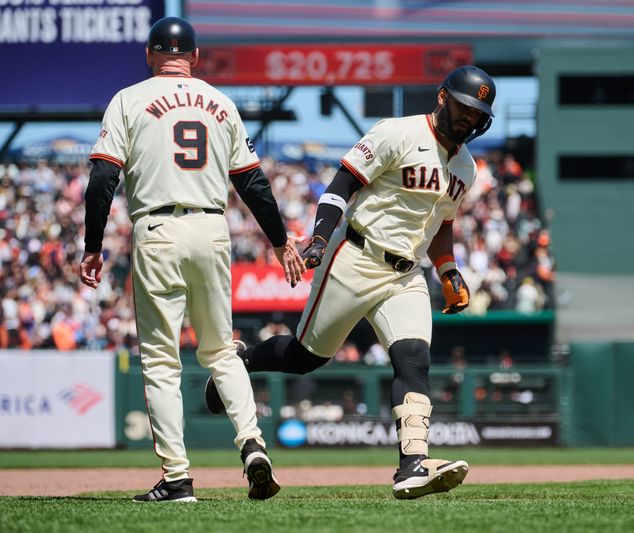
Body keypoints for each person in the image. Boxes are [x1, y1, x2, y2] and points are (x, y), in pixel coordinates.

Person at [205, 65, 497, 499]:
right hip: (357, 256)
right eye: (464, 107)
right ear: (442, 97)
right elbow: (342, 184)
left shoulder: (466, 168)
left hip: (406, 275)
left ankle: (413, 466)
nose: (468, 118)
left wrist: (447, 269)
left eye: (477, 113)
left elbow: (441, 223)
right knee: (306, 357)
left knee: (413, 360)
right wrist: (320, 238)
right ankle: (242, 362)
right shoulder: (396, 133)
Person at [79, 16, 305, 503]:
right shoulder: (221, 103)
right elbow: (252, 182)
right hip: (212, 228)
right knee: (222, 350)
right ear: (195, 58)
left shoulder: (128, 99)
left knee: (162, 361)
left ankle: (178, 478)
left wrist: (93, 246)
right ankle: (252, 443)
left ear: (149, 55)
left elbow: (102, 179)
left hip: (157, 229)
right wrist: (281, 240)